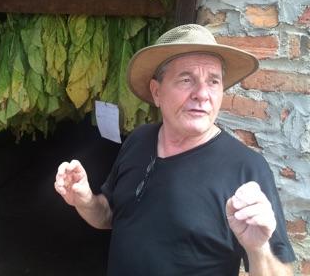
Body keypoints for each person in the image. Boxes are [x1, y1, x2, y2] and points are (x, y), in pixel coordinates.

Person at [54, 24, 295, 276]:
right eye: (186, 79)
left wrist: (258, 250)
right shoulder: (138, 140)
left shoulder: (246, 168)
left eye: (213, 81)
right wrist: (85, 200)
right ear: (157, 92)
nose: (202, 94)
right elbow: (107, 215)